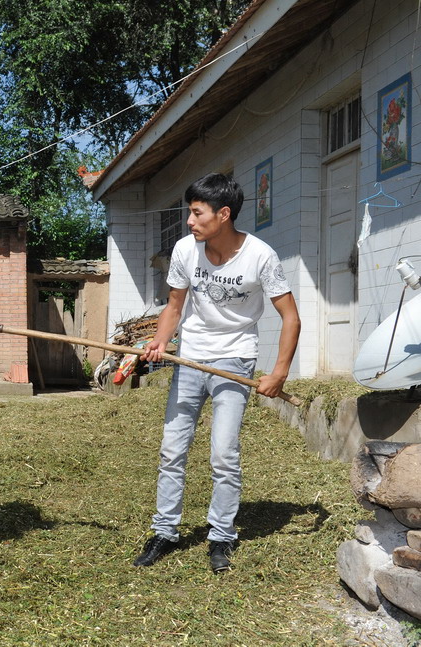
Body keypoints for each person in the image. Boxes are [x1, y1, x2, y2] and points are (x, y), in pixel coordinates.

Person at [133, 173, 300, 573]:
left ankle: (221, 535)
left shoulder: (260, 256)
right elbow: (174, 306)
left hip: (235, 360)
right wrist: (160, 341)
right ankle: (164, 531)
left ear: (223, 214)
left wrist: (278, 373)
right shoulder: (184, 251)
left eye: (196, 213)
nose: (189, 222)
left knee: (224, 454)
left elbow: (290, 317)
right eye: (189, 213)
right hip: (190, 358)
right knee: (172, 449)